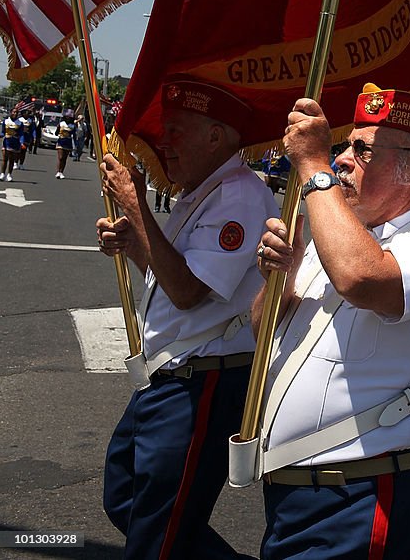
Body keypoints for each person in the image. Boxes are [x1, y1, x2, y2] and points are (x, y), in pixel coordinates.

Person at [253, 84, 410, 559]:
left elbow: (361, 279)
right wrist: (283, 272)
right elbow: (263, 331)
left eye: (361, 150)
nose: (341, 160)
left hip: (363, 490)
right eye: (343, 147)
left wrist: (312, 165)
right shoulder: (340, 235)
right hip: (296, 484)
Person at [95, 76, 278, 559]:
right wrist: (136, 244)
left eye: (176, 130)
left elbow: (189, 292)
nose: (164, 143)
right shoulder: (204, 191)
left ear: (216, 137)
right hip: (170, 376)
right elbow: (172, 278)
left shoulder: (238, 194)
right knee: (127, 500)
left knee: (159, 535)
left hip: (202, 385)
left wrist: (136, 208)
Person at [54, 109, 76, 179]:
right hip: (61, 141)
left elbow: (74, 135)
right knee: (60, 157)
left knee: (64, 158)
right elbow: (56, 133)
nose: (68, 118)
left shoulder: (72, 125)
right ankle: (58, 172)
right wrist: (60, 133)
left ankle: (61, 172)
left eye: (69, 117)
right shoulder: (61, 124)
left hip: (68, 142)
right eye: (67, 117)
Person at [2, 109, 22, 181]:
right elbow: (3, 132)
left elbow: (21, 134)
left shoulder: (19, 123)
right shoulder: (6, 121)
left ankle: (9, 175)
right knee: (5, 159)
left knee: (11, 160)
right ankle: (2, 174)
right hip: (6, 141)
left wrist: (21, 142)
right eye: (14, 112)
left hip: (15, 143)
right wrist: (0, 135)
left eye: (16, 112)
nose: (15, 113)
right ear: (11, 112)